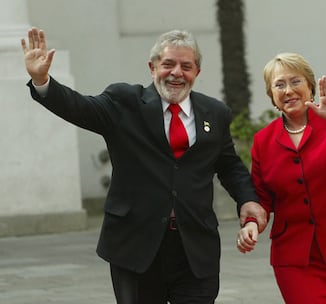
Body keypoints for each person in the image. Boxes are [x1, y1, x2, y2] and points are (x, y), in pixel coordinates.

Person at [21, 27, 267, 304]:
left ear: (197, 72)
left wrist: (248, 200)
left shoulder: (215, 113)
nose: (176, 73)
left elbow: (229, 164)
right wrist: (43, 81)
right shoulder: (124, 102)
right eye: (168, 64)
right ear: (152, 68)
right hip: (136, 247)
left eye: (186, 66)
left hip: (195, 249)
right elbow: (79, 107)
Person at [237, 52, 326, 303]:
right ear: (271, 95)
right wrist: (251, 222)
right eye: (279, 85)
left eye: (295, 82)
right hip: (294, 257)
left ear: (310, 86)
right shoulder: (263, 141)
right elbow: (261, 197)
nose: (288, 90)